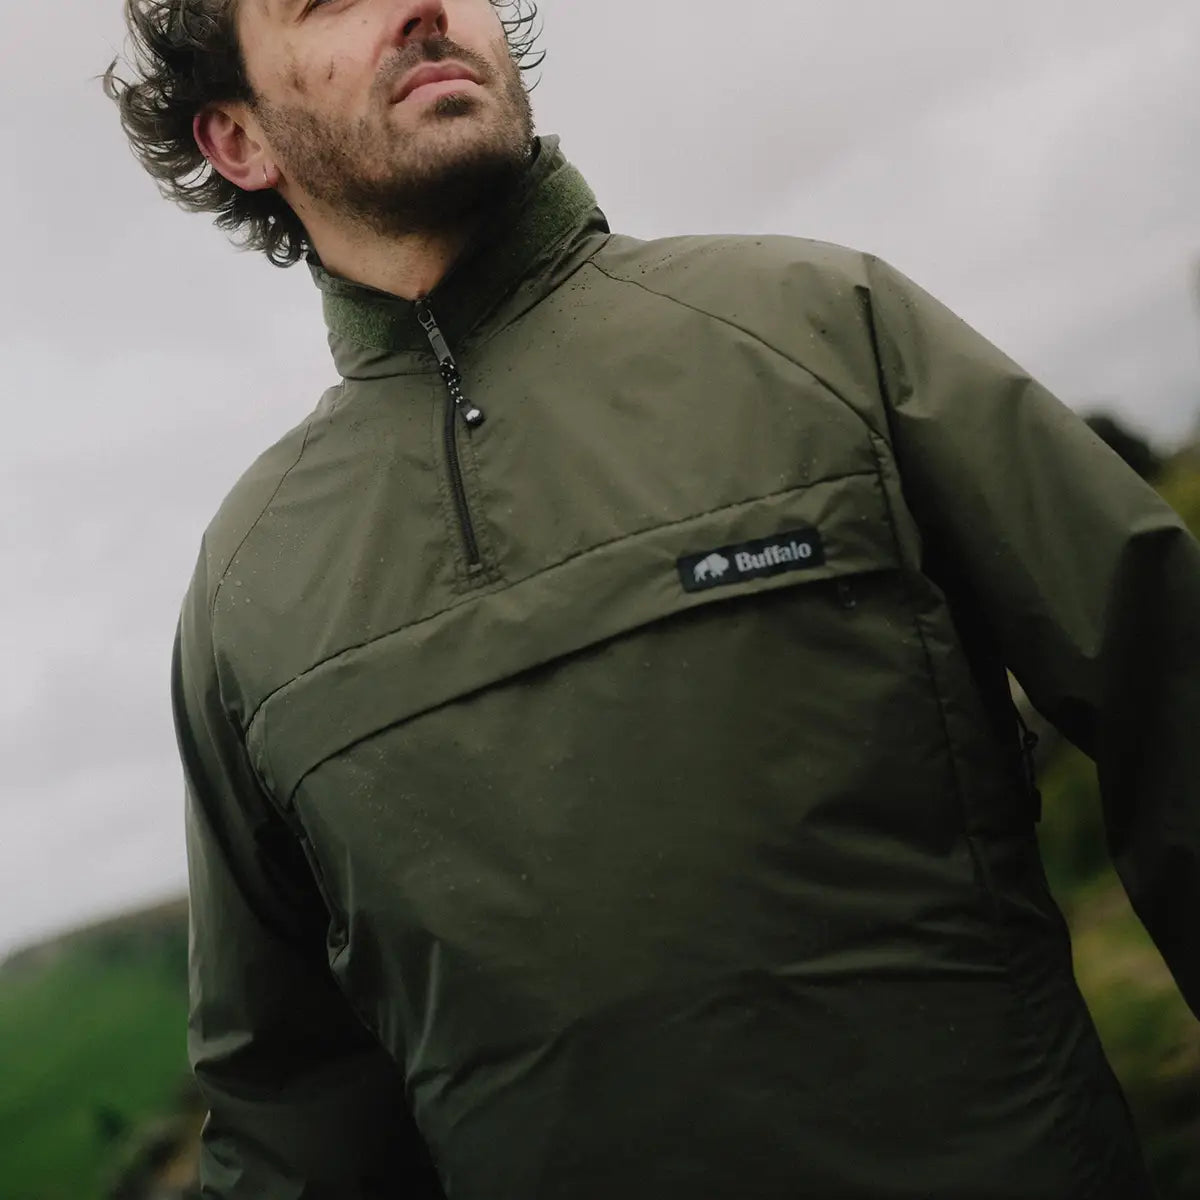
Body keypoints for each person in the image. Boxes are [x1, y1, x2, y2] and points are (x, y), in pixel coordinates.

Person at [105, 2, 1200, 1197]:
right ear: (239, 140)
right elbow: (287, 1107)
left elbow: (1172, 694)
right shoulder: (248, 585)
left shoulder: (826, 331)